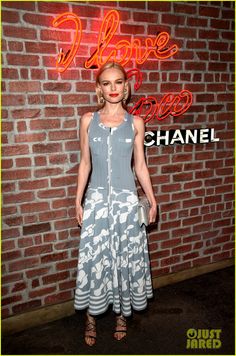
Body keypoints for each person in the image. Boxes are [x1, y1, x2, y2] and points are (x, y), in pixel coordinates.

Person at [75, 61, 157, 346]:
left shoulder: (136, 123)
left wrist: (152, 199)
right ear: (99, 88)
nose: (113, 88)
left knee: (123, 259)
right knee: (95, 260)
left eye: (118, 82)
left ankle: (122, 315)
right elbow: (85, 163)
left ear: (126, 86)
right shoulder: (88, 120)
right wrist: (78, 201)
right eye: (107, 83)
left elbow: (141, 167)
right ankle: (90, 318)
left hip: (125, 205)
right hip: (96, 203)